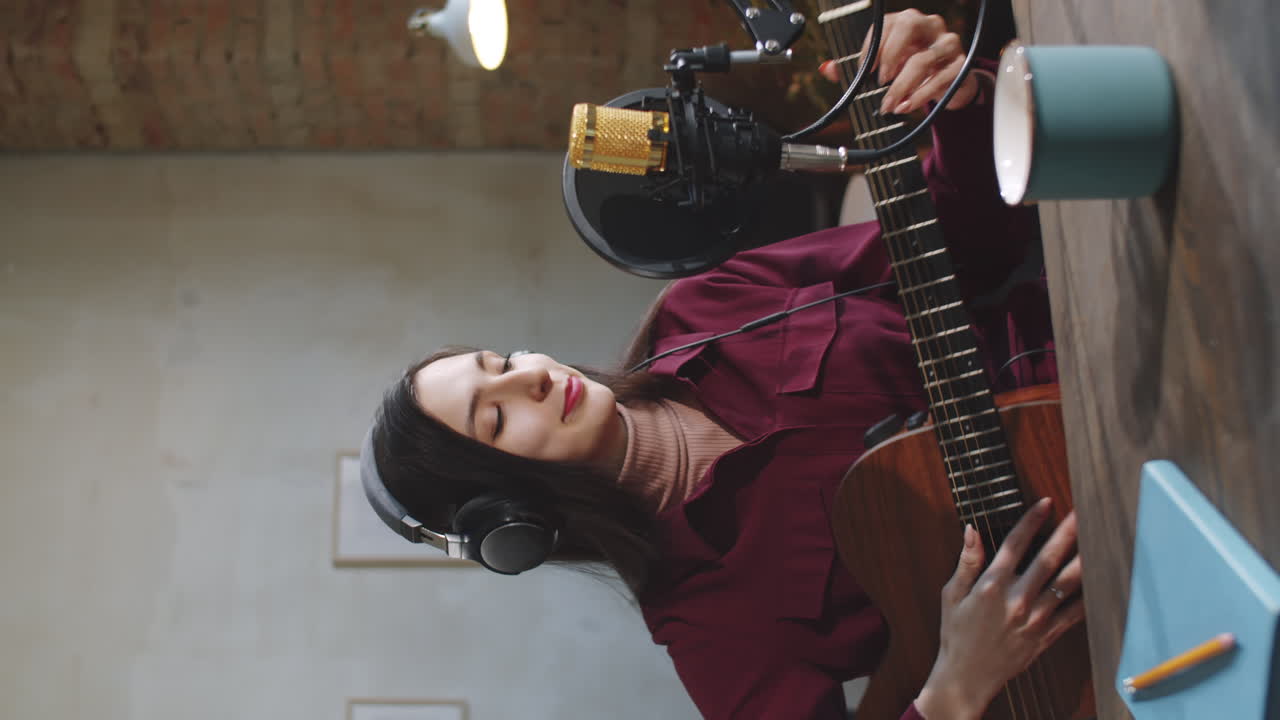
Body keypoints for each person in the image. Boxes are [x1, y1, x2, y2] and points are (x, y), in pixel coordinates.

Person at [364, 9, 1085, 719]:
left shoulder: (704, 307)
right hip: (1095, 569)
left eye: (504, 360)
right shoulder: (708, 627)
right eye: (496, 417)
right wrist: (959, 683)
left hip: (1094, 356)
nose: (533, 376)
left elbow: (963, 248)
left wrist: (954, 105)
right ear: (512, 514)